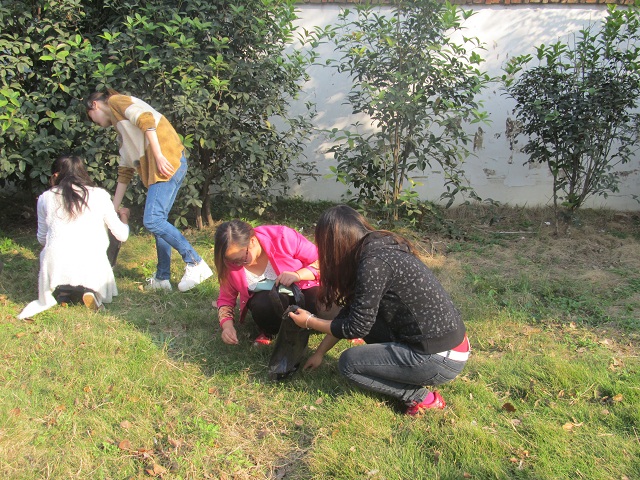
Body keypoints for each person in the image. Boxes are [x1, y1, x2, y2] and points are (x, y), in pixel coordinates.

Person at [289, 205, 470, 416]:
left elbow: (355, 328)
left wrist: (309, 321)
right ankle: (406, 369)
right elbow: (353, 314)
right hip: (451, 346)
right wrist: (320, 353)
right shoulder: (380, 247)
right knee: (368, 320)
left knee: (349, 363)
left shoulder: (373, 264)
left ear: (333, 244)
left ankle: (423, 398)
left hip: (440, 358)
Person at [86, 89, 212, 292]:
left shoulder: (116, 101)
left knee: (152, 220)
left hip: (166, 161)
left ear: (94, 105)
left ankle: (195, 263)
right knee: (159, 221)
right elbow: (125, 171)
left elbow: (145, 119)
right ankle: (162, 278)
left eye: (91, 117)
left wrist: (159, 155)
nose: (95, 123)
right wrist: (112, 210)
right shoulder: (121, 131)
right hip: (164, 165)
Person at [18, 155, 131, 319]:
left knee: (57, 246)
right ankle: (91, 289)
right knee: (111, 235)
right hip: (90, 260)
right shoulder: (99, 195)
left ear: (55, 175)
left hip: (56, 263)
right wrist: (124, 216)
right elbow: (122, 235)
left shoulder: (45, 198)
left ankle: (64, 290)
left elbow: (42, 239)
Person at [214, 220, 325, 346]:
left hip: (305, 290)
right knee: (262, 305)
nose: (238, 264)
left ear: (252, 241)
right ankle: (270, 331)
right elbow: (226, 298)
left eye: (242, 258)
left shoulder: (282, 237)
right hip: (270, 304)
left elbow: (323, 261)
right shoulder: (229, 263)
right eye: (233, 261)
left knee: (323, 304)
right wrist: (227, 326)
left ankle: (320, 323)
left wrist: (298, 275)